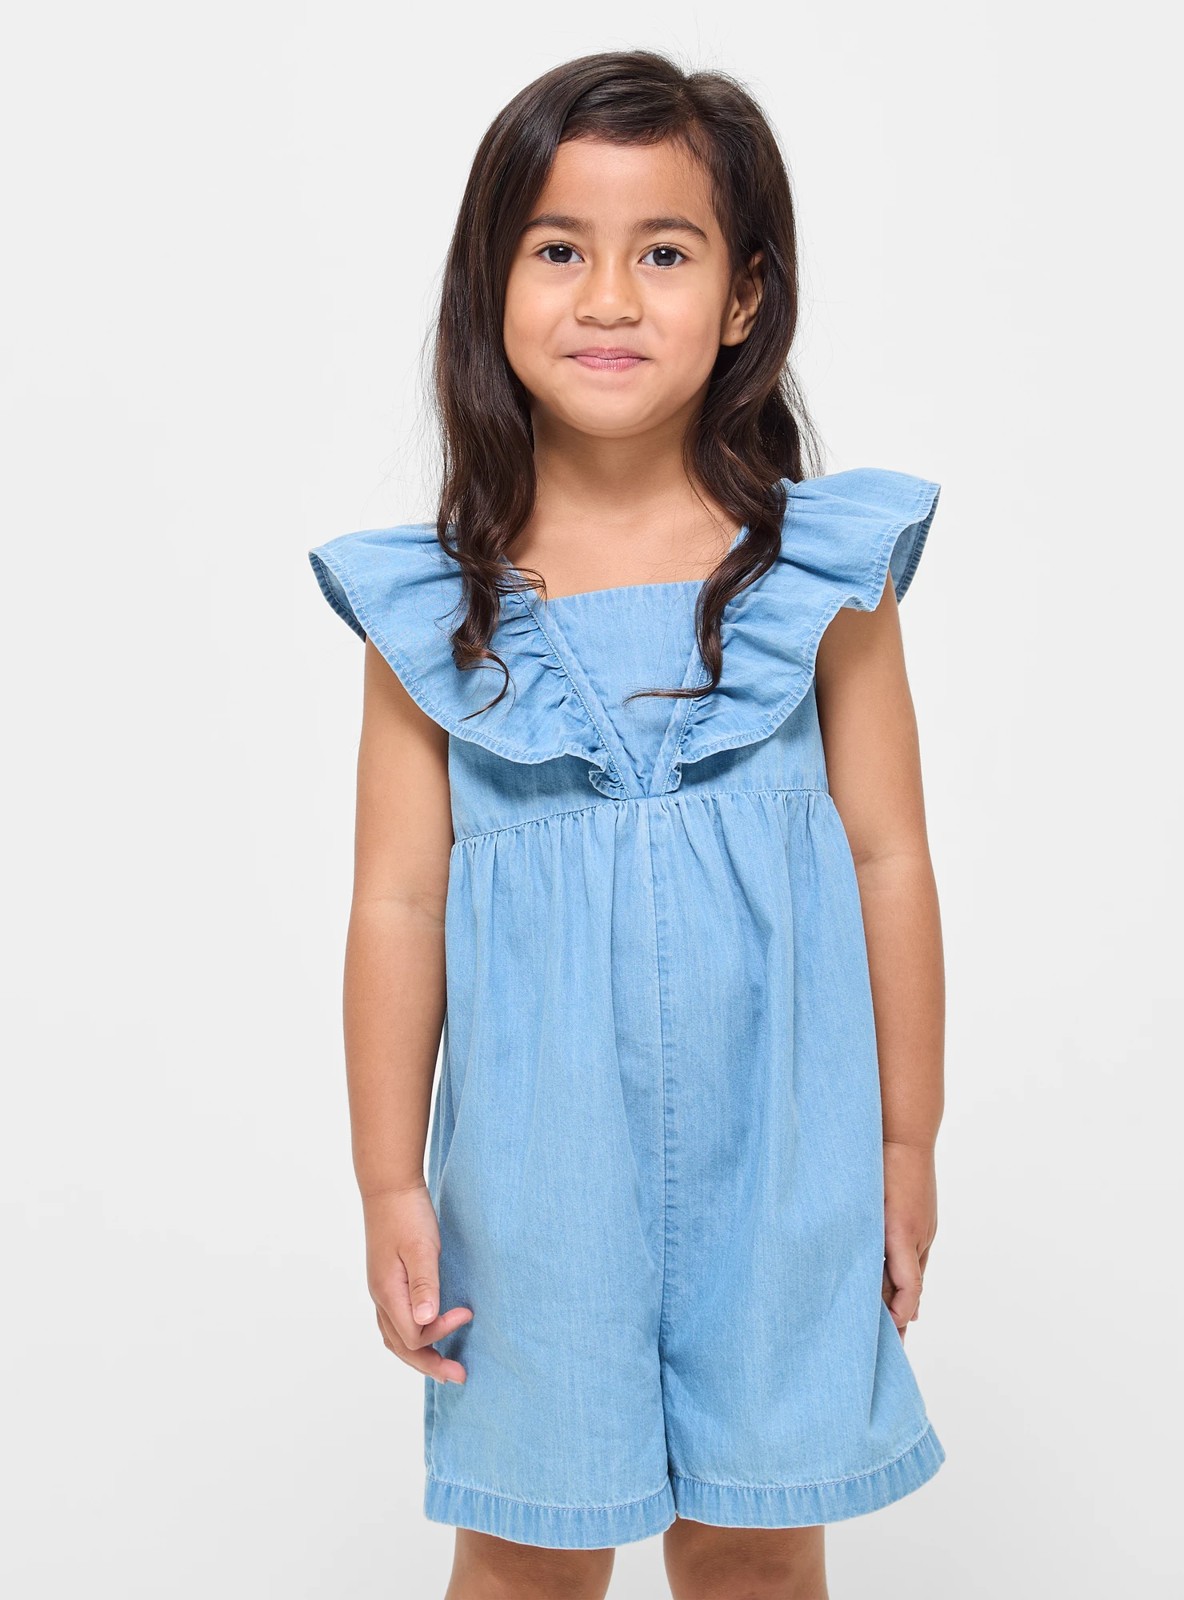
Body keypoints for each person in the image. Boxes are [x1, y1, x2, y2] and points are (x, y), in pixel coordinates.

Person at [307, 47, 946, 1600]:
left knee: (756, 1540)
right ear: (490, 287)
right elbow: (396, 902)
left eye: (663, 252)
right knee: (529, 1548)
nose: (609, 297)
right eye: (558, 250)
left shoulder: (817, 577)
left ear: (742, 298)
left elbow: (889, 857)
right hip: (537, 1168)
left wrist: (905, 1138)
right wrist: (390, 1181)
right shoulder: (436, 611)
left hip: (783, 1150)